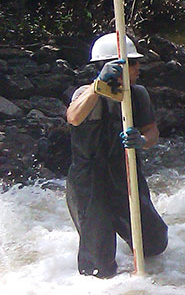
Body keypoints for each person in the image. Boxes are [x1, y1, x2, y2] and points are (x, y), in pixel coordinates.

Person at [64, 33, 168, 278]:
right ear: (113, 66)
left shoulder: (138, 95)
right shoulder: (86, 94)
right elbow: (73, 117)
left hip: (124, 173)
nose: (138, 67)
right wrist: (99, 86)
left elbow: (152, 132)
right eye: (132, 63)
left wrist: (142, 141)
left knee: (154, 243)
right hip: (89, 181)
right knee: (98, 268)